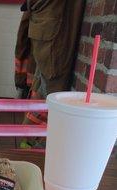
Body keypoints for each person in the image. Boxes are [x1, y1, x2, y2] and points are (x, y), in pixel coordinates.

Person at [14, 0, 85, 148]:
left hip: (50, 34)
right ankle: (30, 147)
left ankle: (29, 146)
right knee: (48, 97)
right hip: (51, 37)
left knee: (46, 95)